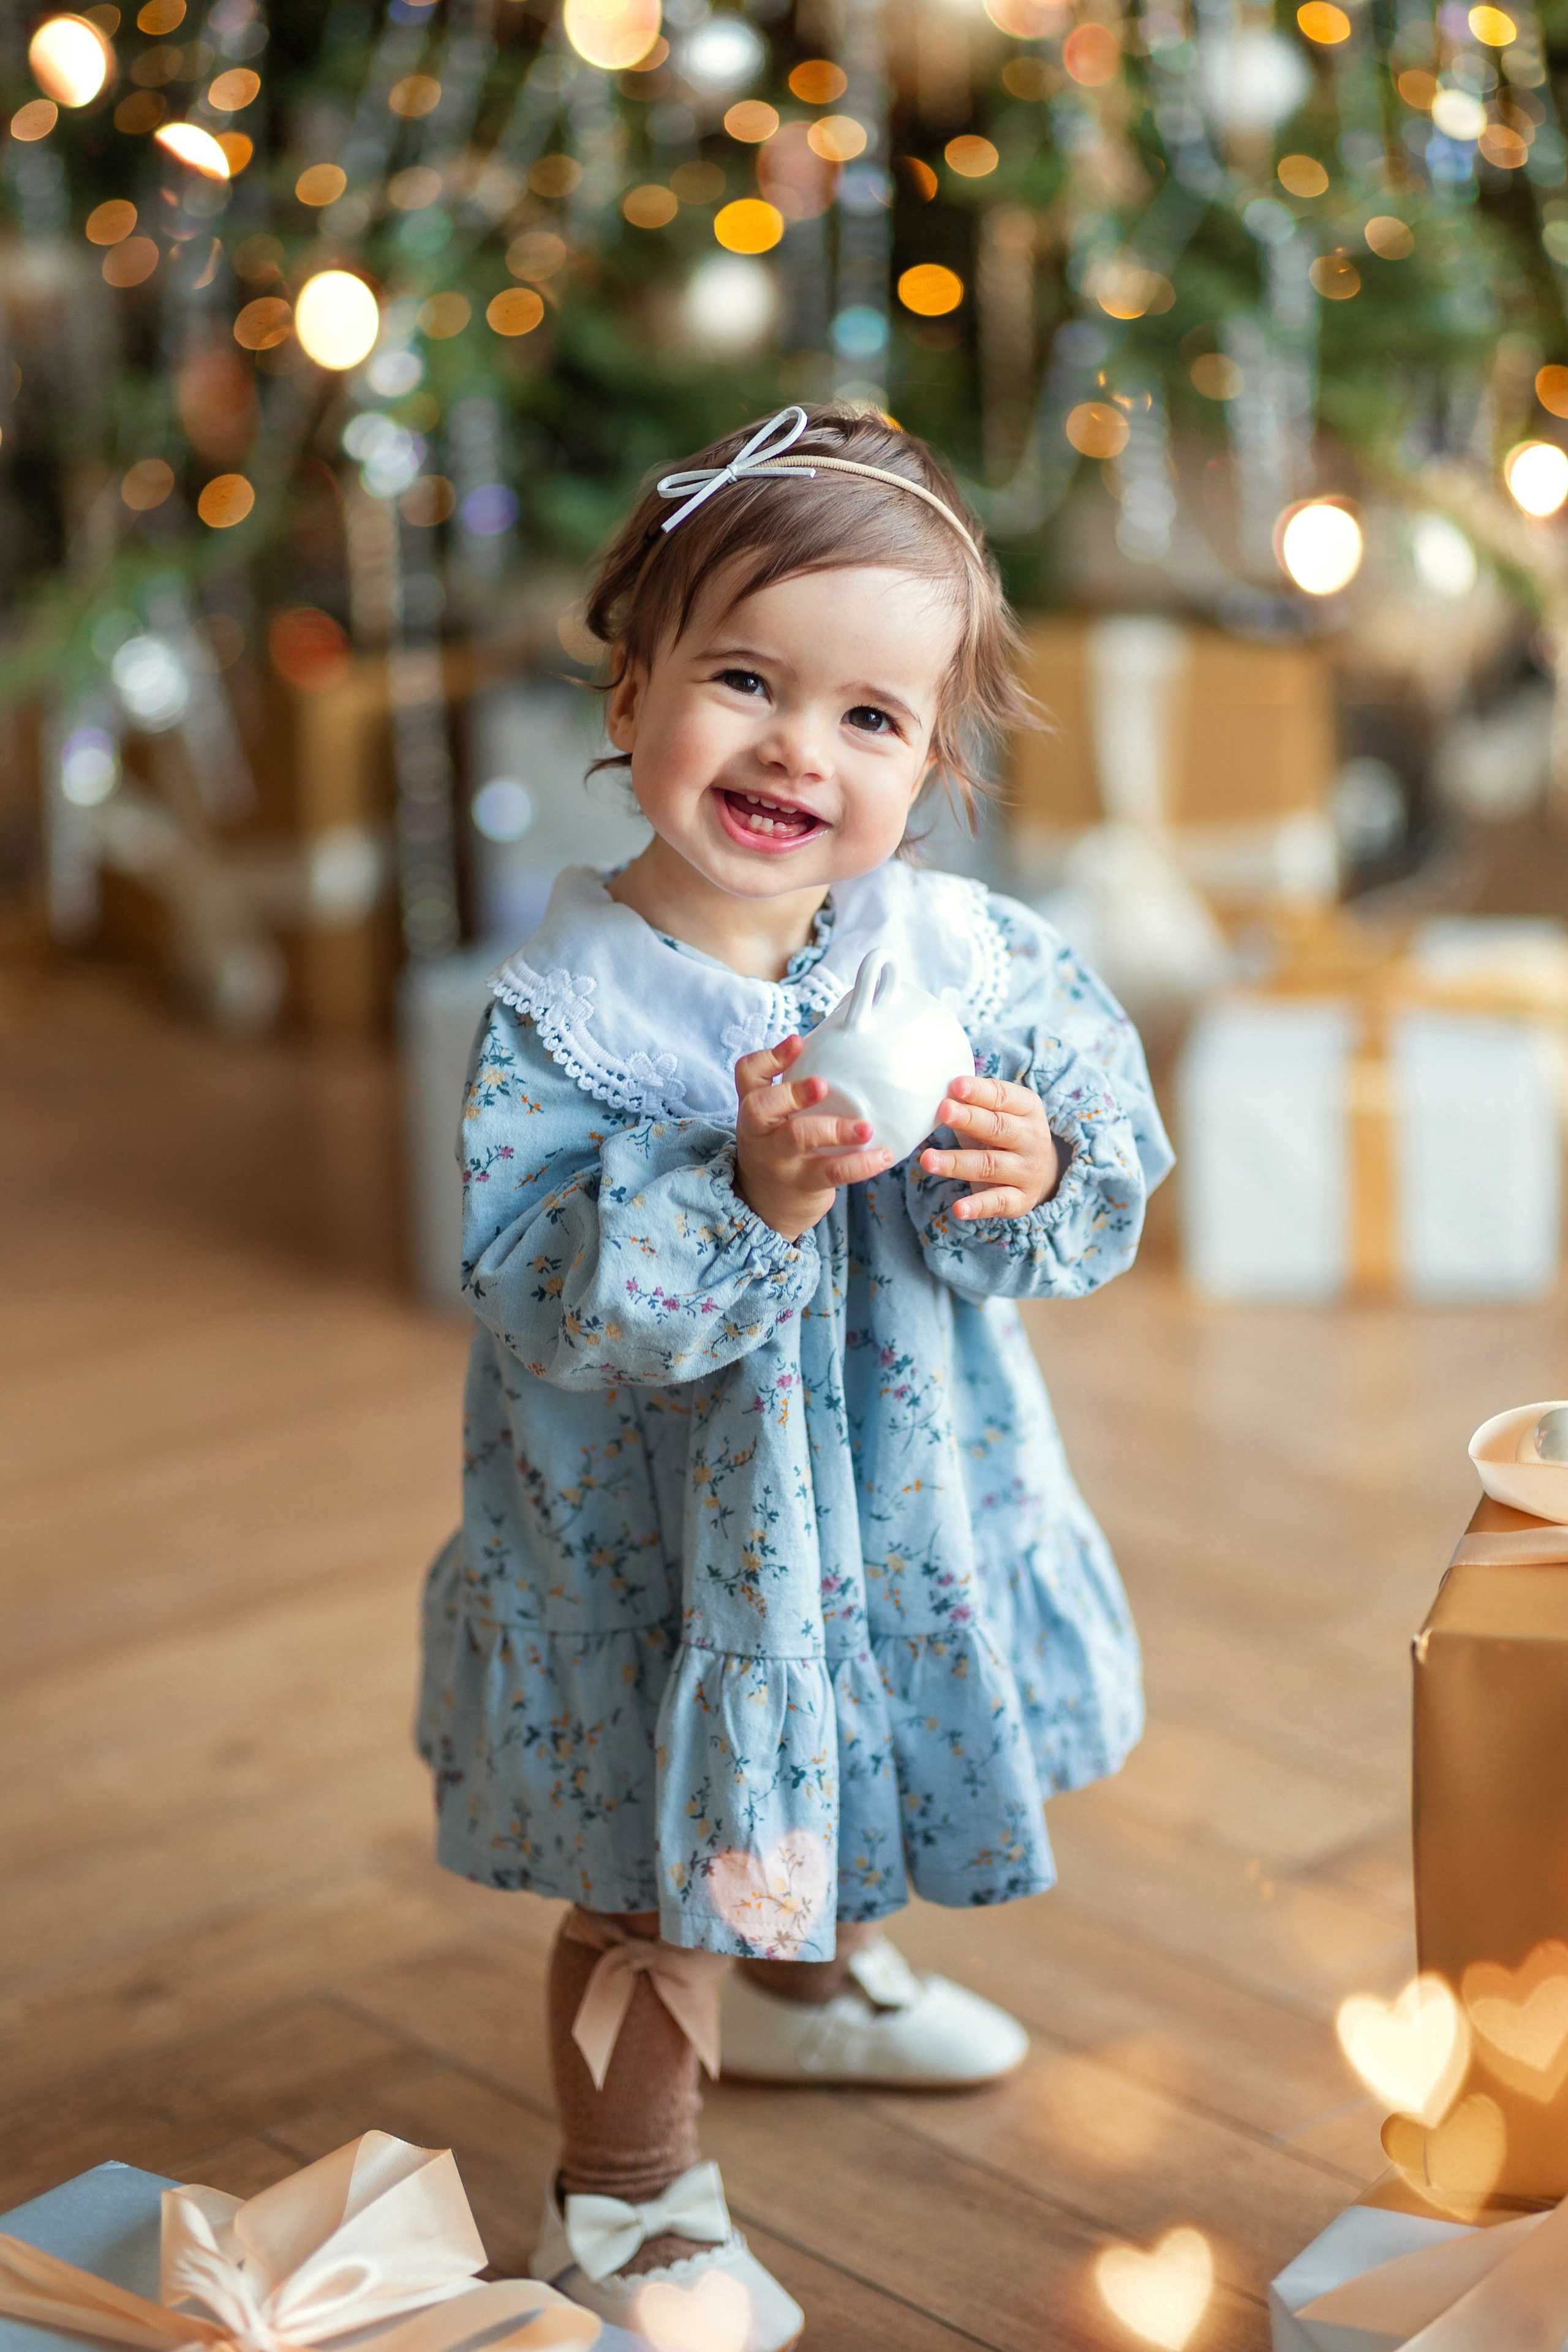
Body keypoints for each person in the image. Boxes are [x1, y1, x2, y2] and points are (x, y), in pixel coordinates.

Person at [417, 405, 1173, 2349]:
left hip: (903, 1491)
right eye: (743, 680)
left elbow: (1097, 1144)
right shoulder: (575, 1019)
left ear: (933, 760)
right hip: (662, 1543)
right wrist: (744, 1188)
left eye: (869, 719)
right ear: (632, 682)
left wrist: (1043, 1169)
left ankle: (819, 1990)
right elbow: (541, 1292)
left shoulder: (959, 955)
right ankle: (627, 2200)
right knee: (671, 1858)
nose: (792, 751)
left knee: (843, 1728)